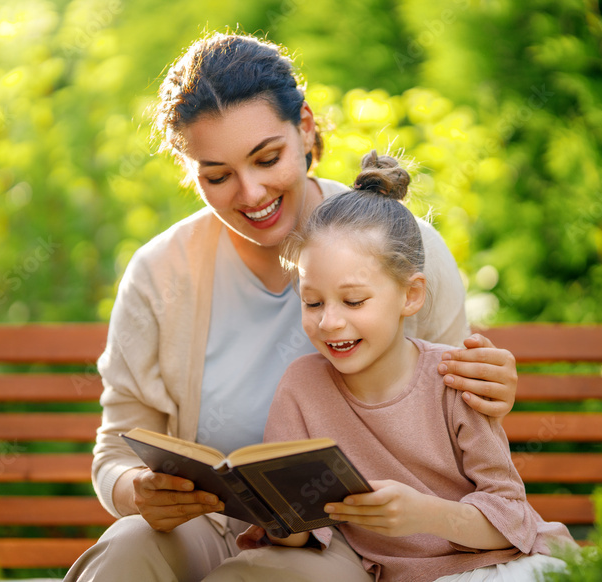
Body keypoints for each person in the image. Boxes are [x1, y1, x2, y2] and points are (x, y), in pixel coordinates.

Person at [65, 33, 521, 582]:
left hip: (358, 539)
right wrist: (136, 491)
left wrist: (493, 389)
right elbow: (116, 448)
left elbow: (447, 400)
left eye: (267, 158)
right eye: (217, 175)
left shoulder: (402, 247)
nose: (251, 192)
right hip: (214, 525)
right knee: (128, 548)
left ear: (304, 127)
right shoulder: (161, 272)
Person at [209, 151, 575, 582]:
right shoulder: (302, 386)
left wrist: (425, 515)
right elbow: (297, 538)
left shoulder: (453, 378)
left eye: (354, 301)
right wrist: (274, 512)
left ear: (410, 295)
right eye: (312, 302)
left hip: (498, 567)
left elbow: (511, 519)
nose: (329, 321)